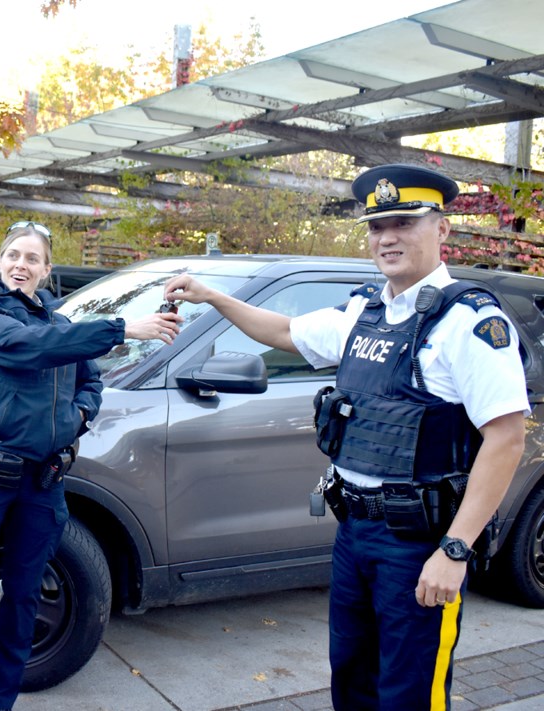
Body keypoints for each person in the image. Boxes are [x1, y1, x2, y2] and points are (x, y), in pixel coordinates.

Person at [163, 164, 529, 710]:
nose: (388, 238)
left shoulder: (470, 323)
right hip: (355, 532)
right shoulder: (365, 310)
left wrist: (455, 550)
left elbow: (506, 438)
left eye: (405, 223)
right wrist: (213, 297)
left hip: (419, 544)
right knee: (352, 682)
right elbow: (284, 332)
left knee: (409, 693)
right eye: (378, 227)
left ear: (442, 230)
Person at [0, 221, 182, 711]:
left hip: (43, 484)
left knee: (23, 600)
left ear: (46, 271)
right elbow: (30, 348)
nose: (20, 265)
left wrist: (79, 417)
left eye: (32, 259)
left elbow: (89, 383)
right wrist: (123, 328)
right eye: (12, 256)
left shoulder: (64, 325)